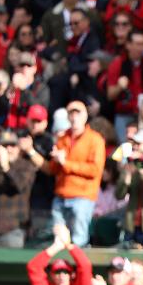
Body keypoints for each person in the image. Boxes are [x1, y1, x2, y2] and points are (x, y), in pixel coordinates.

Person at [45, 101, 106, 248]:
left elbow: (95, 170)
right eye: (71, 114)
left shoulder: (95, 139)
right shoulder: (63, 138)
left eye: (78, 113)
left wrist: (65, 163)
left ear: (85, 116)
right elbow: (52, 170)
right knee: (58, 240)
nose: (74, 117)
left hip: (82, 196)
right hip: (61, 195)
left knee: (79, 241)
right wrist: (56, 160)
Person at [0, 129, 36, 248]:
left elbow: (19, 185)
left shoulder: (26, 166)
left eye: (13, 145)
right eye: (5, 145)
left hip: (14, 228)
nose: (9, 149)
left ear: (18, 148)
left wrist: (6, 167)